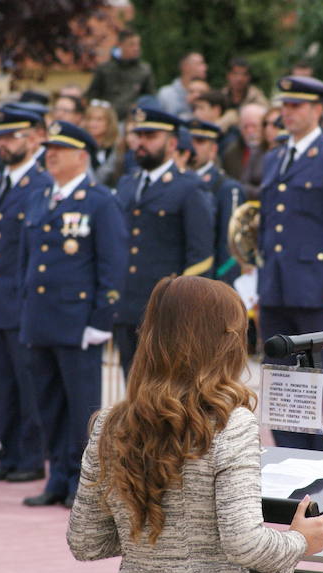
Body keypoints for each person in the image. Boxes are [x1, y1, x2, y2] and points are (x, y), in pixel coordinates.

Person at [67, 275, 323, 573]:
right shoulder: (230, 424)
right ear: (224, 341)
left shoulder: (110, 423)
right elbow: (244, 543)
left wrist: (148, 538)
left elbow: (86, 540)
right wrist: (300, 541)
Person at [20, 120, 128, 509]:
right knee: (48, 405)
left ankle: (83, 484)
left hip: (78, 322)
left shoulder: (100, 201)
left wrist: (101, 320)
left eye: (60, 149)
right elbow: (26, 262)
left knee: (82, 409)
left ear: (82, 156)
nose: (50, 154)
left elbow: (112, 264)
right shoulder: (38, 197)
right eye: (48, 148)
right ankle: (57, 478)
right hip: (41, 319)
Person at [259, 76, 323, 451]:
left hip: (316, 291)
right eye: (285, 105)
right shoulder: (274, 157)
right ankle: (290, 461)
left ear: (318, 110)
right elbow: (267, 225)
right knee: (281, 388)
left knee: (320, 392)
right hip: (277, 289)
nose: (288, 112)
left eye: (297, 105)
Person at [0, 106, 49, 485]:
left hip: (23, 298)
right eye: (0, 137)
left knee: (27, 383)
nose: (4, 144)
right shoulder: (0, 178)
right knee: (1, 381)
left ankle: (31, 456)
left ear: (35, 137)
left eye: (12, 136)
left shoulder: (40, 182)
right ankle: (9, 451)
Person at [113, 108, 214, 376]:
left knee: (168, 391)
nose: (142, 142)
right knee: (132, 389)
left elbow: (201, 256)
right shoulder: (126, 183)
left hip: (167, 310)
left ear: (171, 143)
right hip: (128, 305)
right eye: (139, 135)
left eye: (151, 135)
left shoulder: (188, 187)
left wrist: (185, 308)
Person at [188, 118, 245, 284]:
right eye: (189, 141)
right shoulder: (176, 186)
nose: (193, 147)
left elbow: (231, 249)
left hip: (210, 282)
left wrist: (221, 289)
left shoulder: (226, 188)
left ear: (213, 149)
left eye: (200, 142)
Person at [84, 29, 155, 120]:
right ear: (120, 45)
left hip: (132, 119)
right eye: (131, 44)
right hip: (108, 120)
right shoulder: (105, 69)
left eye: (138, 44)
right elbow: (91, 95)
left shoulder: (144, 70)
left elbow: (150, 98)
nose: (136, 48)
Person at [192, 90, 246, 178]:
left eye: (201, 108)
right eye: (195, 109)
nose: (196, 113)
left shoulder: (230, 139)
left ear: (216, 110)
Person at [156, 52, 208, 119]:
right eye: (199, 64)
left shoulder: (207, 93)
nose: (205, 68)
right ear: (185, 67)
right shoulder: (165, 94)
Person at [84, 101, 121, 186]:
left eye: (99, 119)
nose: (93, 124)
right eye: (90, 119)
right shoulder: (80, 147)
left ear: (109, 123)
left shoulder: (117, 148)